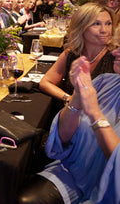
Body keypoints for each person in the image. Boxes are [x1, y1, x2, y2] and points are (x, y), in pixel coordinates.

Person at [19, 54, 120, 204]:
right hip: (72, 177)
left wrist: (95, 113)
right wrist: (77, 96)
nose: (115, 52)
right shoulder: (105, 81)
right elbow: (63, 138)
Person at [39, 3, 115, 106]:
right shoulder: (71, 54)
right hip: (72, 115)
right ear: (81, 27)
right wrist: (69, 99)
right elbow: (45, 82)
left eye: (108, 23)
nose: (104, 30)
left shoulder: (115, 56)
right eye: (96, 24)